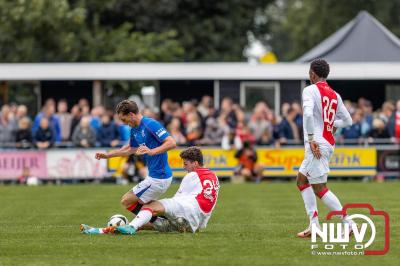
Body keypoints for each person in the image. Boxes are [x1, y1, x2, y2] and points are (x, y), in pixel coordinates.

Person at [81, 146, 220, 235]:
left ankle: (131, 228)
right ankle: (100, 231)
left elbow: (177, 199)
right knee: (144, 223)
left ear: (195, 163)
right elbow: (210, 205)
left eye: (186, 164)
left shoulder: (192, 175)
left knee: (149, 207)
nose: (184, 167)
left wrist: (155, 207)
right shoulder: (214, 177)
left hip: (186, 211)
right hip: (195, 222)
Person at [296, 59, 355, 238]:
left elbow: (307, 113)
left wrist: (312, 138)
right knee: (301, 181)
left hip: (317, 143)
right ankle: (314, 224)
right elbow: (348, 121)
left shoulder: (309, 90)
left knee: (319, 187)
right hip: (326, 141)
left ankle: (349, 222)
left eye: (309, 72)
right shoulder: (335, 95)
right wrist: (331, 123)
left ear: (313, 73)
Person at [93, 100, 176, 222]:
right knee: (138, 206)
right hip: (154, 176)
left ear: (131, 115)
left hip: (160, 177)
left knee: (127, 200)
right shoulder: (134, 129)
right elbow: (129, 149)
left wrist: (152, 151)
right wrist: (108, 155)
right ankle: (165, 220)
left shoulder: (150, 124)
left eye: (124, 120)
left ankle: (161, 222)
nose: (124, 123)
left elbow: (172, 142)